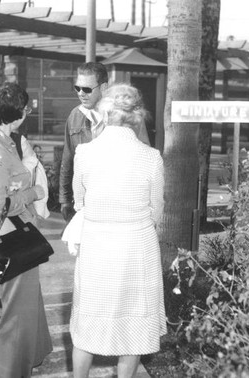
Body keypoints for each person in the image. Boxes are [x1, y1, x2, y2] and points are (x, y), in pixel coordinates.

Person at [69, 84, 166, 378]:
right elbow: (157, 209)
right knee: (134, 327)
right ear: (136, 116)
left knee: (87, 322)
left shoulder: (84, 152)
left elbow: (79, 202)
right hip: (138, 247)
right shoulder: (151, 157)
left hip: (97, 246)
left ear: (104, 113)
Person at [0, 82, 53, 377]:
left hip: (15, 231)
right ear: (15, 113)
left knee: (26, 304)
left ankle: (27, 361)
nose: (27, 112)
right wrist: (34, 193)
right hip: (9, 235)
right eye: (25, 108)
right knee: (16, 315)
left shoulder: (1, 139)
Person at [59, 62, 150, 222]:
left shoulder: (127, 117)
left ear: (103, 87)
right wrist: (65, 200)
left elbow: (145, 162)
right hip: (86, 206)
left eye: (87, 89)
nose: (81, 93)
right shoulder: (75, 116)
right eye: (77, 88)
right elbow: (67, 161)